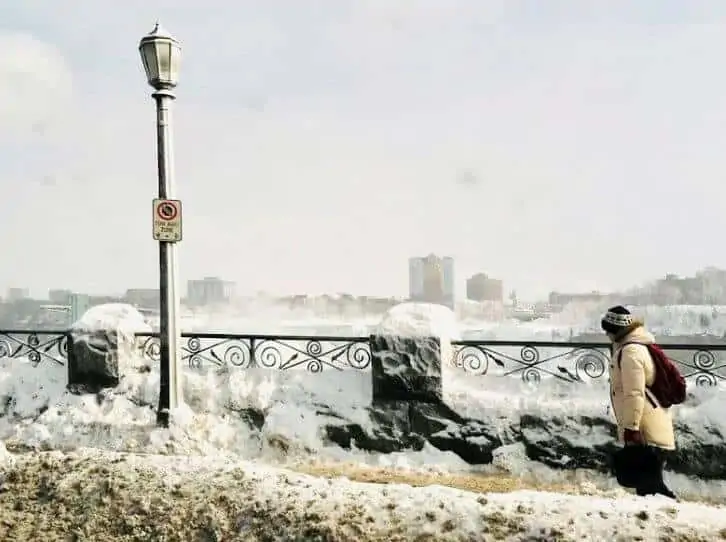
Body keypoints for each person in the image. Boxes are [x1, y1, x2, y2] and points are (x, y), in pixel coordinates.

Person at [602, 305, 677, 499]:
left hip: (644, 425)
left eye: (608, 330)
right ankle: (663, 514)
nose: (607, 335)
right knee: (649, 483)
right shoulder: (636, 347)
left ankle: (668, 515)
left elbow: (634, 393)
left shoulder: (630, 352)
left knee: (650, 485)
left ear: (616, 330)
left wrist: (631, 427)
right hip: (650, 420)